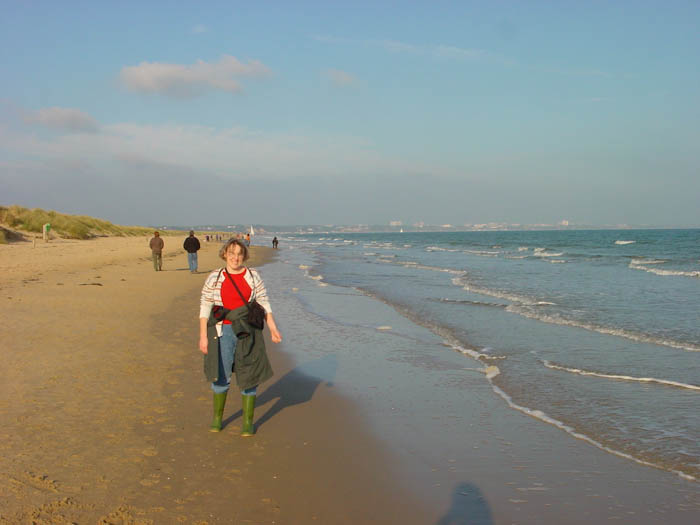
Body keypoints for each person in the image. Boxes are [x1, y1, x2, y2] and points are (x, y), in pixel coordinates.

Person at [199, 238, 282, 436]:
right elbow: (205, 306)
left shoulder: (253, 276)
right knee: (221, 375)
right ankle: (217, 419)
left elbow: (263, 302)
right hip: (222, 332)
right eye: (231, 253)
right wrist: (203, 336)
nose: (235, 258)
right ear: (224, 254)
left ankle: (247, 423)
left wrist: (272, 327)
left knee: (249, 375)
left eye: (239, 254)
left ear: (244, 256)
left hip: (248, 331)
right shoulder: (215, 277)